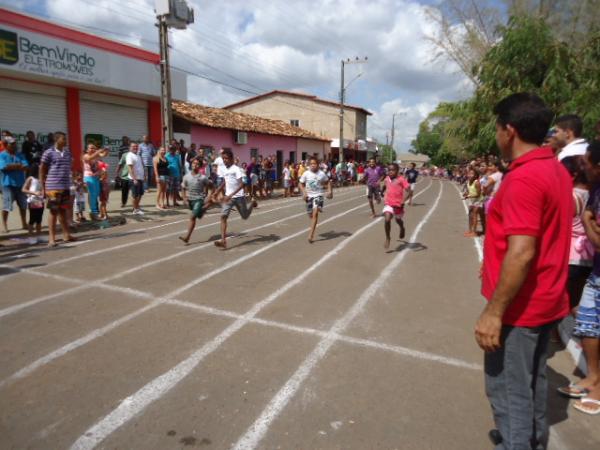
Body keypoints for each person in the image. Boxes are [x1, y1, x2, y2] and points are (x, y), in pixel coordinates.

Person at [475, 93, 572, 448]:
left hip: (521, 309)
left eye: (498, 128)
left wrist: (493, 312)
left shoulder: (524, 178)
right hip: (546, 301)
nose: (497, 135)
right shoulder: (555, 168)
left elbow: (522, 252)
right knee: (533, 388)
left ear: (509, 130)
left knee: (509, 394)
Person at [559, 141, 600, 414]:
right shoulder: (596, 190)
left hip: (588, 260)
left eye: (588, 162)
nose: (583, 167)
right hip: (595, 269)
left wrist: (587, 221)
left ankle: (597, 385)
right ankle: (593, 377)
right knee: (586, 325)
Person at [211, 149, 258, 249]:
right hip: (229, 197)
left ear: (231, 159)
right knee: (223, 216)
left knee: (244, 216)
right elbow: (225, 181)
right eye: (223, 158)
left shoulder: (236, 169)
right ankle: (223, 241)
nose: (225, 160)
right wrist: (217, 191)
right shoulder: (225, 169)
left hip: (239, 197)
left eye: (226, 158)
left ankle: (252, 204)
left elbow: (242, 185)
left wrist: (230, 195)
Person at [40, 132, 75, 247]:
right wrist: (42, 186)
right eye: (63, 139)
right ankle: (51, 238)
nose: (66, 141)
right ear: (57, 140)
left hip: (65, 186)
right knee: (53, 212)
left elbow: (69, 169)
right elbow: (42, 169)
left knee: (63, 211)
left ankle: (66, 235)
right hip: (53, 187)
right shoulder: (48, 153)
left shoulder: (68, 153)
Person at [179, 158, 213, 245]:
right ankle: (205, 208)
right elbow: (182, 187)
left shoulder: (203, 177)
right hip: (190, 200)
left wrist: (209, 196)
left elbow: (211, 186)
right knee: (199, 215)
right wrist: (184, 198)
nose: (195, 165)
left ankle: (187, 237)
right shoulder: (186, 176)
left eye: (197, 164)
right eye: (194, 163)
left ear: (200, 166)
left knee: (192, 217)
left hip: (199, 199)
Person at [299, 156, 332, 243]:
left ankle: (311, 235)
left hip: (318, 195)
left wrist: (329, 191)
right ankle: (316, 209)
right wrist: (304, 192)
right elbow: (301, 183)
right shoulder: (306, 173)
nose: (313, 165)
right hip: (309, 197)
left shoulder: (321, 174)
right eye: (311, 164)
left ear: (318, 165)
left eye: (315, 164)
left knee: (315, 214)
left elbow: (328, 181)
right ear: (309, 165)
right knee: (311, 215)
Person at [0, 136, 28, 233]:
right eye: (11, 144)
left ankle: (24, 223)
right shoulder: (2, 155)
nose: (14, 145)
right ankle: (4, 225)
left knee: (23, 205)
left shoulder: (20, 155)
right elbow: (4, 167)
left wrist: (12, 166)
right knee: (7, 206)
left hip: (20, 183)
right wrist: (18, 166)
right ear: (5, 145)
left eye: (14, 143)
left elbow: (25, 166)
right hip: (7, 184)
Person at [382, 163, 410, 250]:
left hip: (398, 204)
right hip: (389, 203)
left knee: (398, 220)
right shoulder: (387, 179)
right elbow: (384, 186)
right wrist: (381, 192)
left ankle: (402, 228)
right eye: (389, 170)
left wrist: (403, 200)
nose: (390, 172)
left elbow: (409, 191)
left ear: (397, 171)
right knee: (387, 219)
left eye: (393, 170)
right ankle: (388, 237)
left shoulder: (401, 179)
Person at [21, 164, 44, 239]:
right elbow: (23, 189)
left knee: (39, 219)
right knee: (32, 218)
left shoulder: (41, 179)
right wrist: (34, 193)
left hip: (40, 200)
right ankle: (30, 236)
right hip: (33, 200)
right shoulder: (30, 179)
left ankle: (39, 236)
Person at [126, 142, 146, 215]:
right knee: (135, 195)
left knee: (140, 194)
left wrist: (144, 176)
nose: (135, 148)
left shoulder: (138, 156)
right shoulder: (129, 155)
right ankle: (135, 209)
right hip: (134, 179)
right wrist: (134, 179)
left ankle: (137, 207)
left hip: (140, 178)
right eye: (133, 146)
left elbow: (141, 167)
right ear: (130, 148)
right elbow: (130, 168)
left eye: (136, 147)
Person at [462, 168, 483, 237]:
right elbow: (469, 191)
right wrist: (466, 194)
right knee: (470, 215)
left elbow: (478, 194)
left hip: (478, 201)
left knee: (474, 215)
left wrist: (468, 196)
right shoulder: (468, 182)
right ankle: (470, 230)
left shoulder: (476, 182)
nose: (470, 175)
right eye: (469, 173)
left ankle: (474, 232)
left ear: (476, 175)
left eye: (472, 174)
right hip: (472, 200)